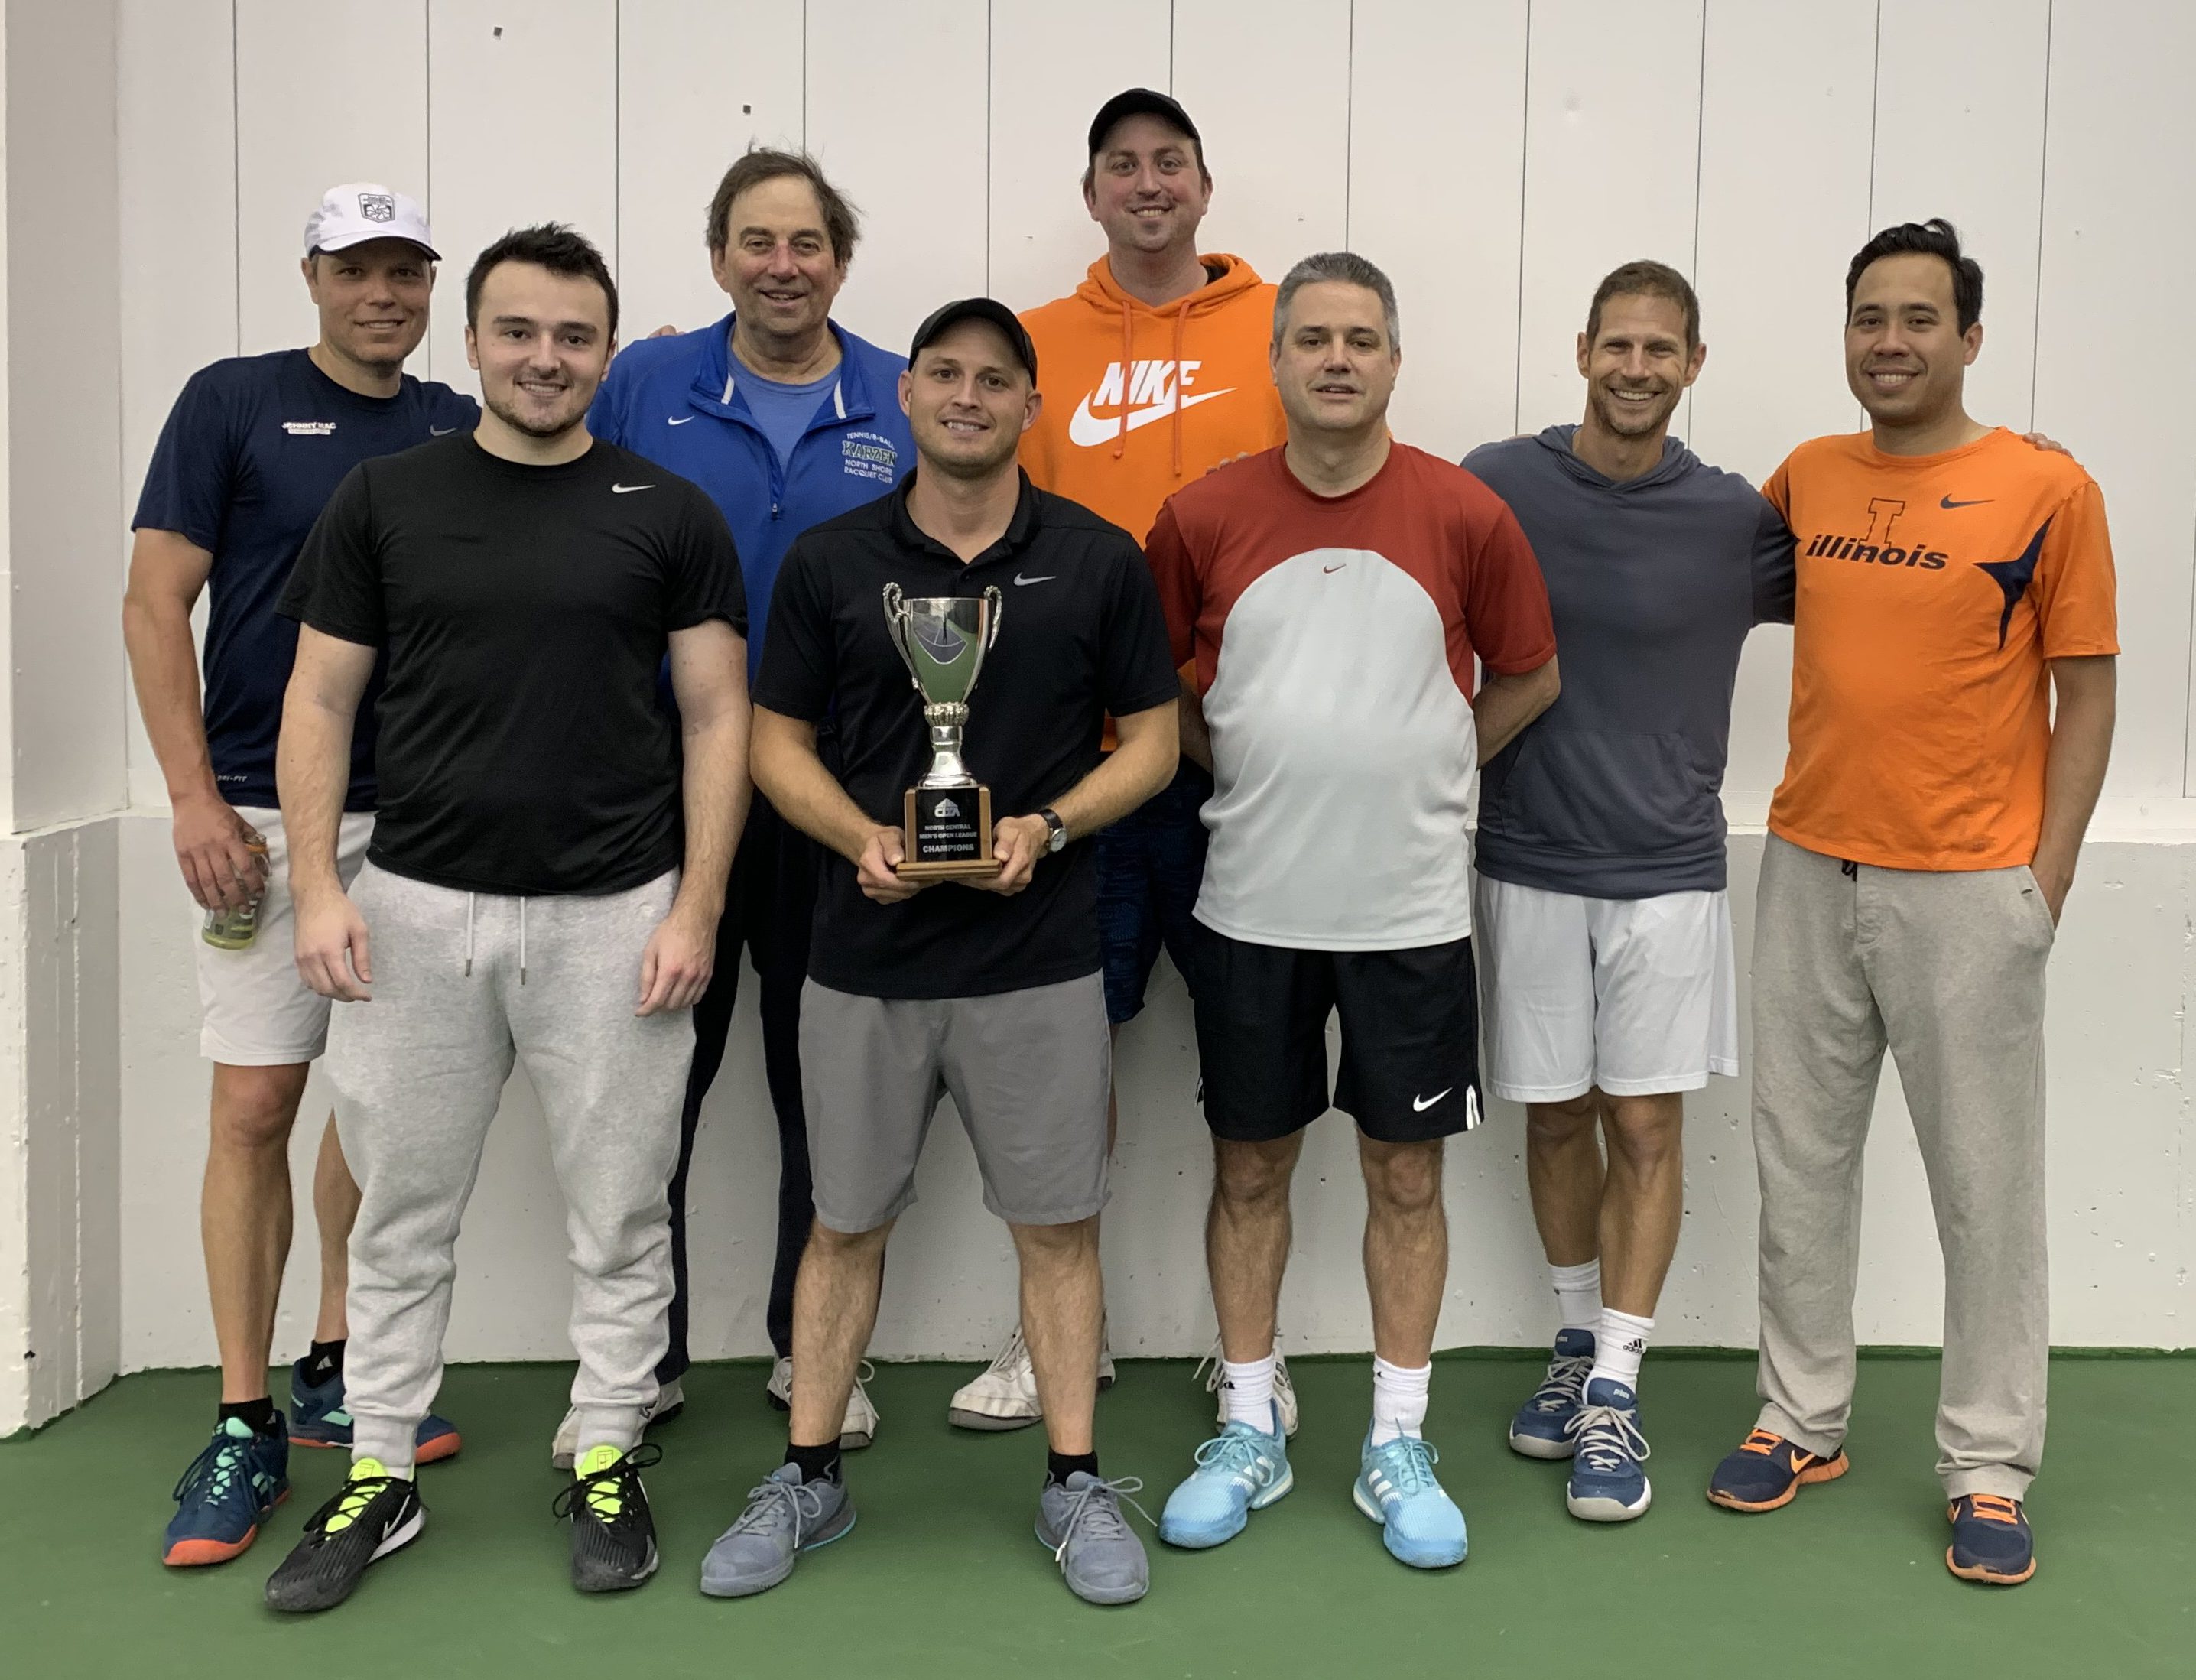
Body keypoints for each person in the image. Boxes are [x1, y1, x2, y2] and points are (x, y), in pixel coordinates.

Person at [263, 224, 750, 1611]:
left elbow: (718, 716)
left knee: (620, 1211)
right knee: (401, 1214)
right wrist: (315, 885)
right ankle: (378, 1472)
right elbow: (319, 702)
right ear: (470, 341)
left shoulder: (667, 509)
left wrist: (696, 906)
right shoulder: (383, 498)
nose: (547, 358)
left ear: (608, 349)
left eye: (575, 336)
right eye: (520, 332)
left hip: (618, 915)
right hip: (413, 910)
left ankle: (606, 1450)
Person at [700, 299, 1179, 1607]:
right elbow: (771, 738)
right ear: (905, 396)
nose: (969, 397)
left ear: (1034, 403)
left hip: (1037, 954)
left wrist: (1051, 823)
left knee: (1060, 1228)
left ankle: (1075, 1478)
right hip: (863, 956)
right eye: (945, 376)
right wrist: (859, 835)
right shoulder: (830, 560)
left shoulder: (1095, 556)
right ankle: (809, 1474)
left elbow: (1154, 737)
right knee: (842, 1223)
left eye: (995, 380)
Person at [1704, 219, 2116, 1591]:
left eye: (1919, 318)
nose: (1891, 340)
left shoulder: (2046, 488)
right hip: (1811, 869)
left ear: (1970, 338)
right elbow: (1682, 567)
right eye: (1869, 317)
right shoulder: (1805, 479)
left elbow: (2090, 692)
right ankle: (1801, 1415)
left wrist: (2039, 886)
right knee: (1799, 1164)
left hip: (1969, 892)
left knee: (1986, 1191)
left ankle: (1989, 1465)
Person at [1148, 254, 1558, 1570]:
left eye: (1362, 339)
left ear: (1394, 360)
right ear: (1274, 360)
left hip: (1412, 914)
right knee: (1251, 1168)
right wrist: (1265, 768)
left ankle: (1396, 1436)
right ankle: (1251, 1418)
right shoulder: (1201, 513)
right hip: (1252, 906)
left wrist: (1430, 768)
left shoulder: (1467, 514)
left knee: (1406, 1174)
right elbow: (1164, 700)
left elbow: (1530, 677)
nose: (1337, 359)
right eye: (1313, 338)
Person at [123, 184, 476, 1569]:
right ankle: (242, 1414)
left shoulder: (457, 421)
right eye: (358, 269)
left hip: (432, 824)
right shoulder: (233, 401)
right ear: (314, 276)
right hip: (262, 817)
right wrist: (194, 799)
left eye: (406, 270)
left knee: (377, 1107)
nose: (384, 293)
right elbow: (158, 601)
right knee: (257, 1102)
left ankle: (338, 1360)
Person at [950, 84, 1295, 1438]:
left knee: (1250, 1066)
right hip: (1074, 781)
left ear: (1204, 188)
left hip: (1238, 770)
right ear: (1091, 194)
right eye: (1122, 168)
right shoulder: (1033, 348)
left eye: (1171, 165)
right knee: (1060, 1067)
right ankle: (1056, 1343)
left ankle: (1245, 1354)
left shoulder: (1282, 327)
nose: (1148, 186)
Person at [577, 145, 908, 1464]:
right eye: (756, 241)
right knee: (654, 1086)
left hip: (840, 802)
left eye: (808, 242)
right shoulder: (643, 381)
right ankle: (636, 1362)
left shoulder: (902, 392)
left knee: (824, 1089)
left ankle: (808, 1345)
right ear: (718, 256)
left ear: (841, 258)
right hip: (662, 800)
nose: (783, 265)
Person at [1463, 262, 1794, 1523]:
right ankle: (1566, 1340)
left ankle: (1617, 1380)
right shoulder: (1498, 479)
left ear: (1693, 364)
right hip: (1526, 858)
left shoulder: (1736, 517)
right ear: (1583, 350)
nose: (1638, 367)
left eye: (1663, 349)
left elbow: (1884, 570)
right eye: (1619, 345)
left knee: (1645, 1127)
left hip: (1667, 873)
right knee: (1555, 1119)